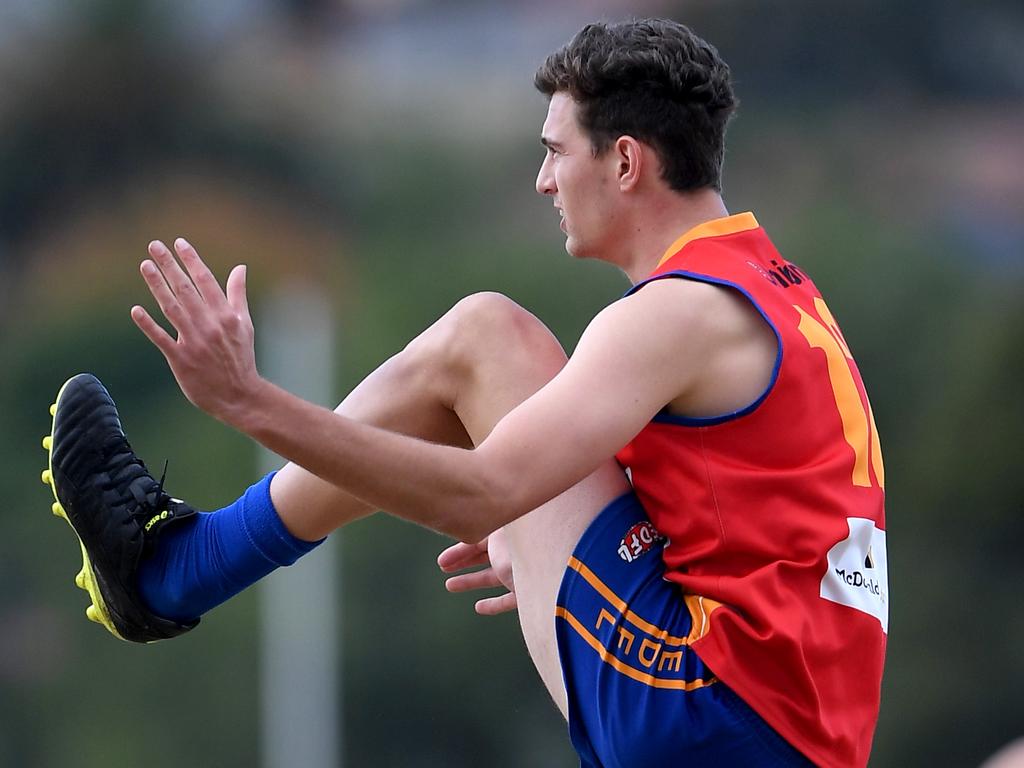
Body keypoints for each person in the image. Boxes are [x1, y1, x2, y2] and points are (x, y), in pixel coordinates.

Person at [40, 18, 887, 768]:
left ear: (625, 161)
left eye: (556, 151)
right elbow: (759, 524)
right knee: (490, 351)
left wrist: (249, 401)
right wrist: (543, 533)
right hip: (789, 726)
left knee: (485, 340)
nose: (543, 182)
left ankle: (173, 572)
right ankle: (180, 566)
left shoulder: (674, 314)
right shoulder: (773, 288)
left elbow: (479, 493)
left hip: (704, 707)